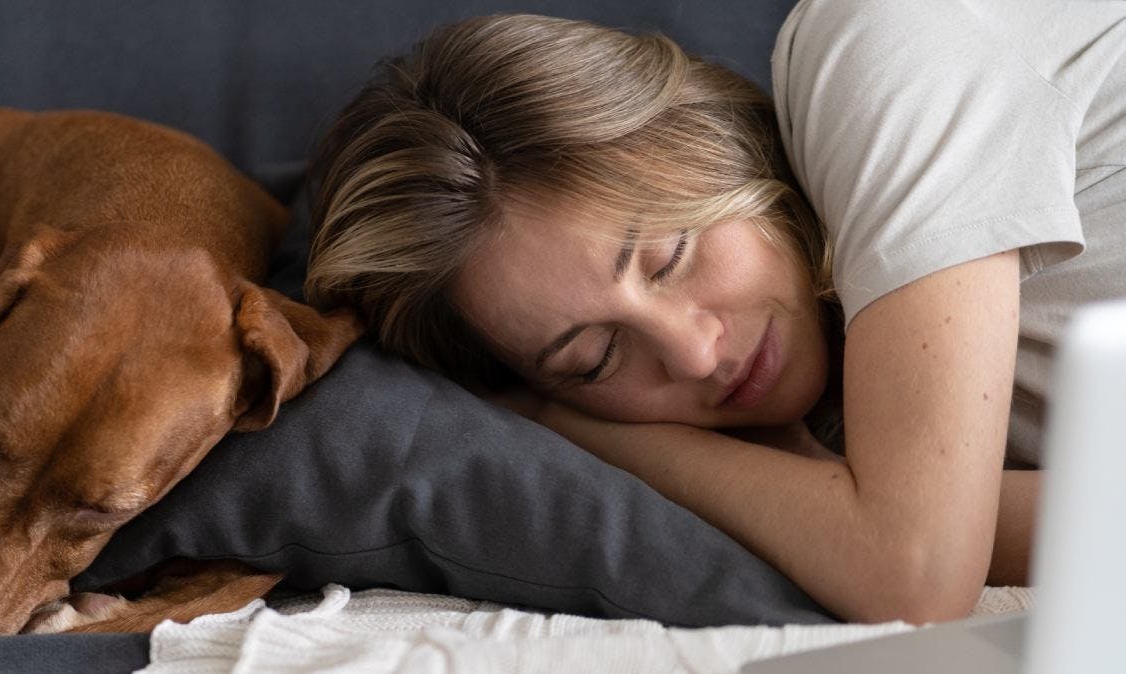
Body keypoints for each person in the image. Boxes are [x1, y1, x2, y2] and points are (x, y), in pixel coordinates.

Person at [304, 2, 1126, 624]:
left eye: (669, 256)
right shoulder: (837, 421)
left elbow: (914, 571)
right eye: (593, 359)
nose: (695, 355)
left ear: (709, 136)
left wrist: (579, 423)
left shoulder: (883, 51)